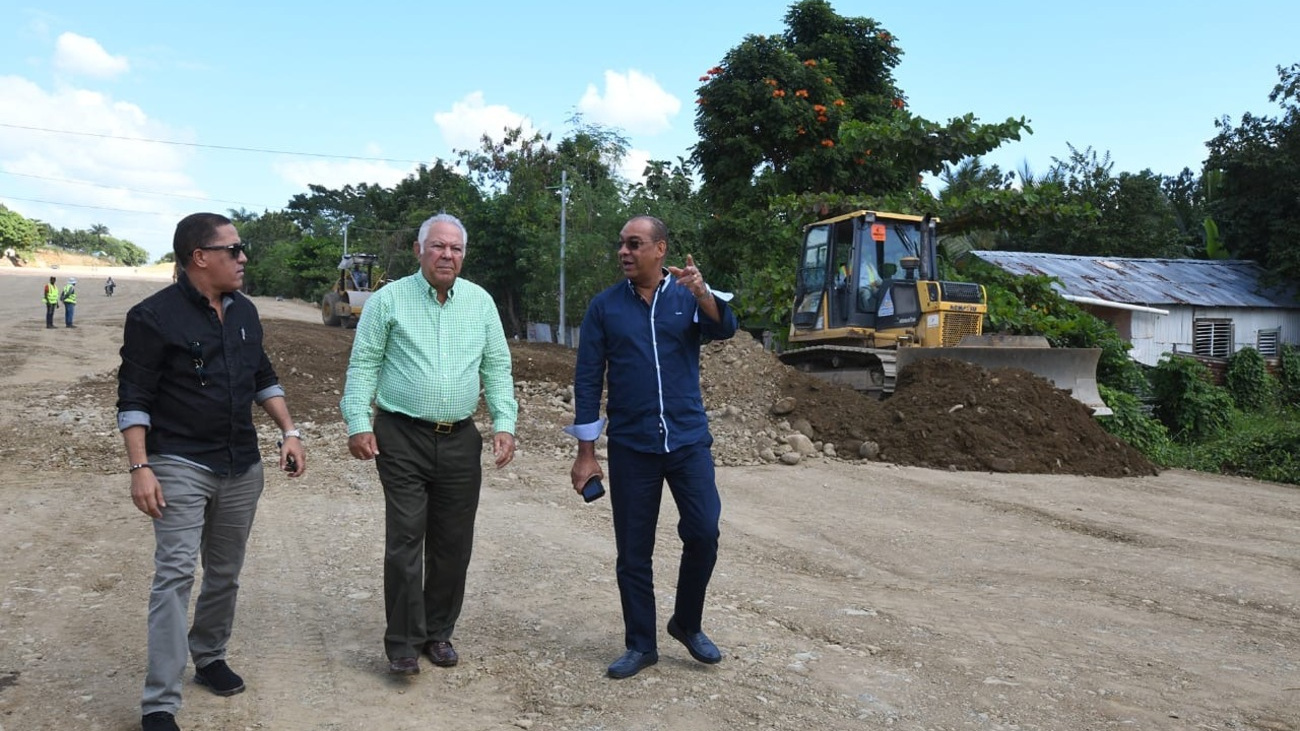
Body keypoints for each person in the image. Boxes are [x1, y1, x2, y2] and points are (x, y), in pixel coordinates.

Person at [117, 212, 306, 731]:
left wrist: (289, 431)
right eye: (234, 249)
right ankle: (160, 702)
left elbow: (262, 374)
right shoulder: (152, 317)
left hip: (240, 462)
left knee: (224, 573)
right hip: (179, 461)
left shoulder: (244, 311)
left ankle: (210, 654)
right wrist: (141, 466)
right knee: (175, 575)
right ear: (201, 256)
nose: (244, 258)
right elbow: (133, 397)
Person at [340, 213, 517, 676]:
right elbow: (364, 365)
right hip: (400, 436)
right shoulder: (388, 301)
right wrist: (358, 421)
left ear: (463, 255)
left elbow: (497, 367)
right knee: (405, 540)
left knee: (453, 544)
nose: (447, 255)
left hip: (460, 438)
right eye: (438, 246)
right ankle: (402, 641)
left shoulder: (479, 303)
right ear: (420, 250)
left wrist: (505, 422)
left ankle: (438, 632)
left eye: (455, 249)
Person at [567, 215, 738, 679]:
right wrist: (586, 452)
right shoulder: (604, 308)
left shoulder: (687, 294)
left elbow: (725, 329)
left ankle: (686, 622)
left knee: (704, 531)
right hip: (632, 446)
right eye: (621, 243)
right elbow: (587, 380)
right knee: (633, 551)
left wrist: (703, 291)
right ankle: (641, 644)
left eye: (634, 244)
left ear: (660, 249)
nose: (624, 251)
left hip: (687, 441)